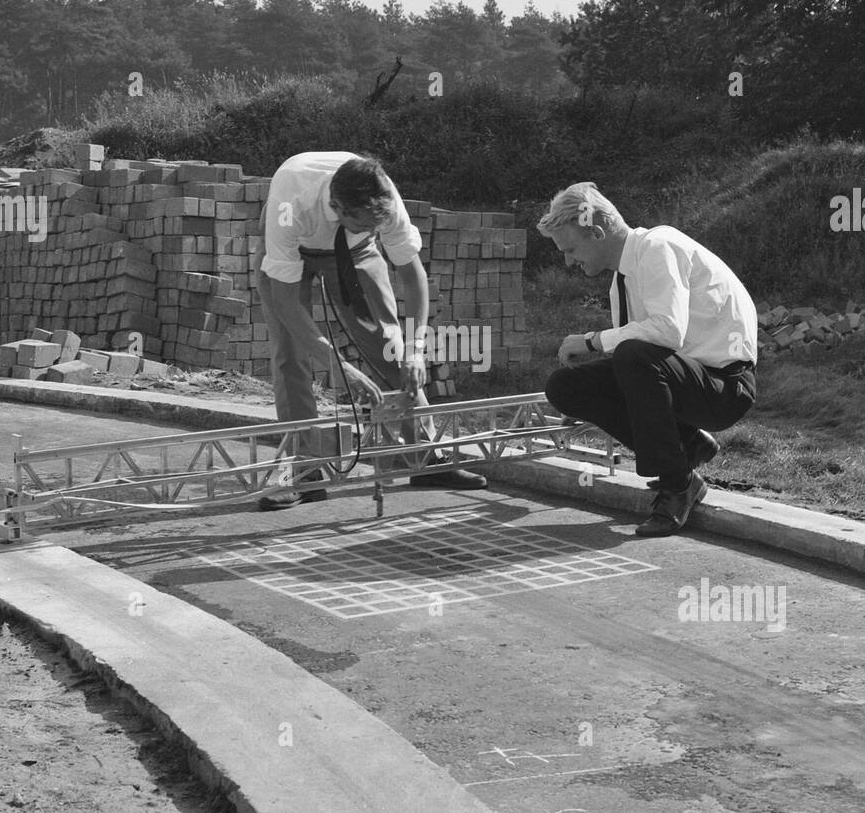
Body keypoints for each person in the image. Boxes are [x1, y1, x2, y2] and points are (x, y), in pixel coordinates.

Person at [255, 150, 486, 509]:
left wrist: (416, 350)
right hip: (292, 252)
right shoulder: (291, 204)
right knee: (290, 354)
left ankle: (425, 459)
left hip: (356, 252)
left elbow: (413, 276)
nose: (374, 228)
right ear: (338, 207)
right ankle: (304, 473)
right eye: (364, 223)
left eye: (377, 225)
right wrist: (337, 365)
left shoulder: (382, 203)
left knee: (389, 346)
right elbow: (287, 304)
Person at [538, 182, 757, 537]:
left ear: (595, 232)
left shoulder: (658, 246)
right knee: (565, 386)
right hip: (687, 376)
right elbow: (636, 364)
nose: (568, 261)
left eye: (570, 249)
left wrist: (592, 341)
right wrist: (591, 385)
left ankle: (678, 484)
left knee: (632, 355)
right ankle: (689, 445)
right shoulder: (622, 279)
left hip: (726, 386)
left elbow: (667, 332)